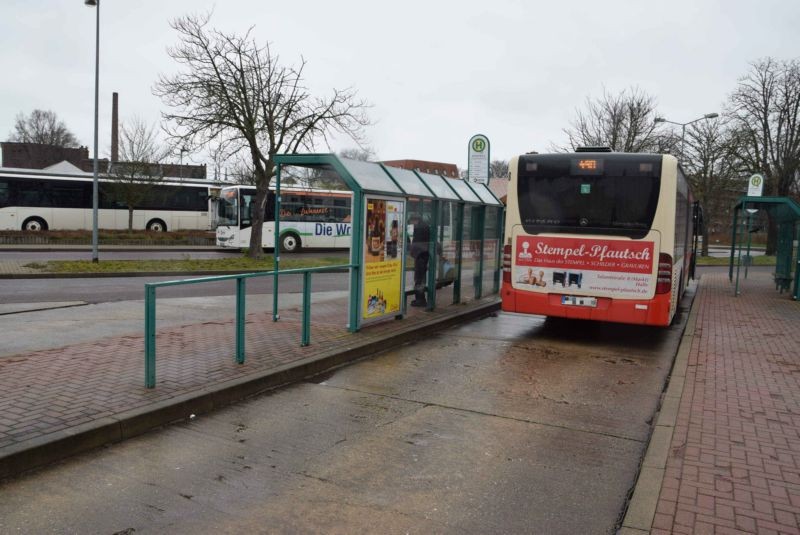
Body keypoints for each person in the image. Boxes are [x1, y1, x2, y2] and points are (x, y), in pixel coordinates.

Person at [408, 214, 430, 307]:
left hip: (420, 256)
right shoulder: (425, 226)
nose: (411, 224)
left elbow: (415, 242)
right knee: (421, 278)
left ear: (415, 220)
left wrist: (411, 250)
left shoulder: (419, 228)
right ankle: (420, 298)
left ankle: (420, 299)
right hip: (424, 255)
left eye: (411, 222)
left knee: (419, 279)